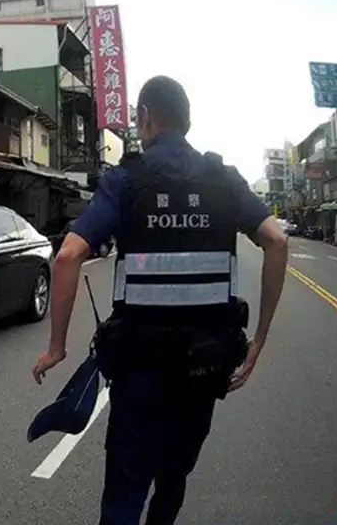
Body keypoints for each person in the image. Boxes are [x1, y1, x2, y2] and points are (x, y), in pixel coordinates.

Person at [32, 75, 289, 525]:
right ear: (186, 122)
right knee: (173, 479)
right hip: (204, 368)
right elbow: (276, 240)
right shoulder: (222, 179)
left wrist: (57, 347)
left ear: (147, 118)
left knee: (125, 492)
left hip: (140, 370)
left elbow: (69, 255)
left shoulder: (126, 180)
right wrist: (259, 340)